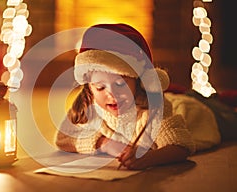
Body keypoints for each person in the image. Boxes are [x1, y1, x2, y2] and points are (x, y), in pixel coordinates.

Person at [54, 23, 237, 170]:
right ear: (89, 88)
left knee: (224, 111)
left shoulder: (155, 110)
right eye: (100, 87)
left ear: (139, 81)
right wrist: (105, 143)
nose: (111, 94)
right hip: (175, 98)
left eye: (120, 84)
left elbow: (181, 145)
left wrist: (148, 159)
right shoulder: (89, 106)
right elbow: (63, 138)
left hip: (198, 112)